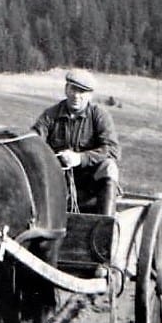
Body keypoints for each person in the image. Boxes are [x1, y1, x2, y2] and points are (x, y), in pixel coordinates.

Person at [32, 69, 120, 215]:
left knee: (109, 166)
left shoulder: (99, 116)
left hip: (91, 186)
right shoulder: (50, 115)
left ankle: (105, 226)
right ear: (66, 89)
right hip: (56, 183)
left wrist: (79, 158)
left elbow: (112, 150)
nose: (76, 96)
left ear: (90, 95)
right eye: (73, 89)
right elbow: (34, 140)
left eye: (82, 91)